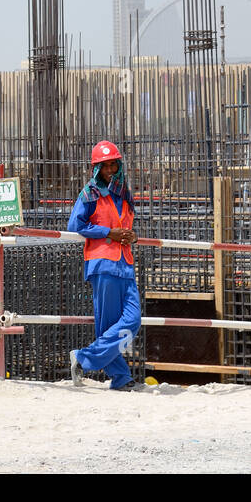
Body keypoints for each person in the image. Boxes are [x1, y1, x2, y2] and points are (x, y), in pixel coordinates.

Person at [66, 141, 141, 391]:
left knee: (132, 321)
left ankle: (84, 358)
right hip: (103, 264)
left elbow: (126, 227)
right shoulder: (90, 193)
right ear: (96, 168)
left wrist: (131, 236)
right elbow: (75, 226)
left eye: (113, 164)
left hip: (125, 264)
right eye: (104, 165)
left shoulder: (124, 194)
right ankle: (120, 378)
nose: (110, 169)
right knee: (108, 327)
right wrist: (109, 233)